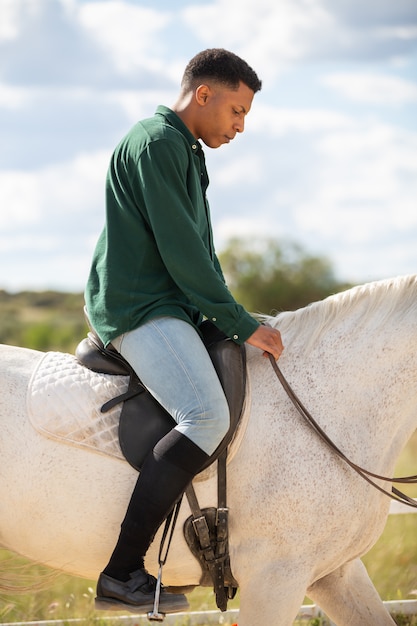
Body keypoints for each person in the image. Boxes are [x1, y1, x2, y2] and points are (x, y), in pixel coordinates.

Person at [85, 48, 284, 614]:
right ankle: (122, 574)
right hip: (140, 307)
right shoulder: (157, 144)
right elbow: (182, 257)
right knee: (207, 415)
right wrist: (241, 323)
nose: (240, 126)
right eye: (237, 111)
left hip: (167, 302)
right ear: (204, 95)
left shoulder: (183, 149)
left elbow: (204, 255)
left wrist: (241, 316)